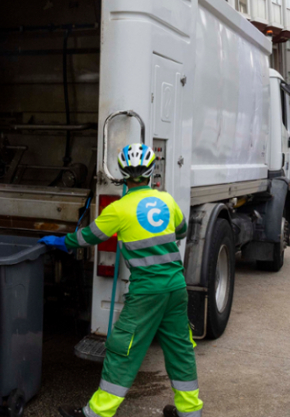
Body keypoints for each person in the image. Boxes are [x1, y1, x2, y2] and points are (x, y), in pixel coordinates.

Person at [40, 143, 202, 417]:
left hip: (147, 293)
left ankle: (95, 414)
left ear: (123, 176)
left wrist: (63, 241)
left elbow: (88, 237)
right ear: (151, 173)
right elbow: (182, 230)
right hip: (176, 287)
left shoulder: (119, 208)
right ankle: (190, 413)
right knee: (180, 350)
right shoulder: (167, 201)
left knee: (122, 351)